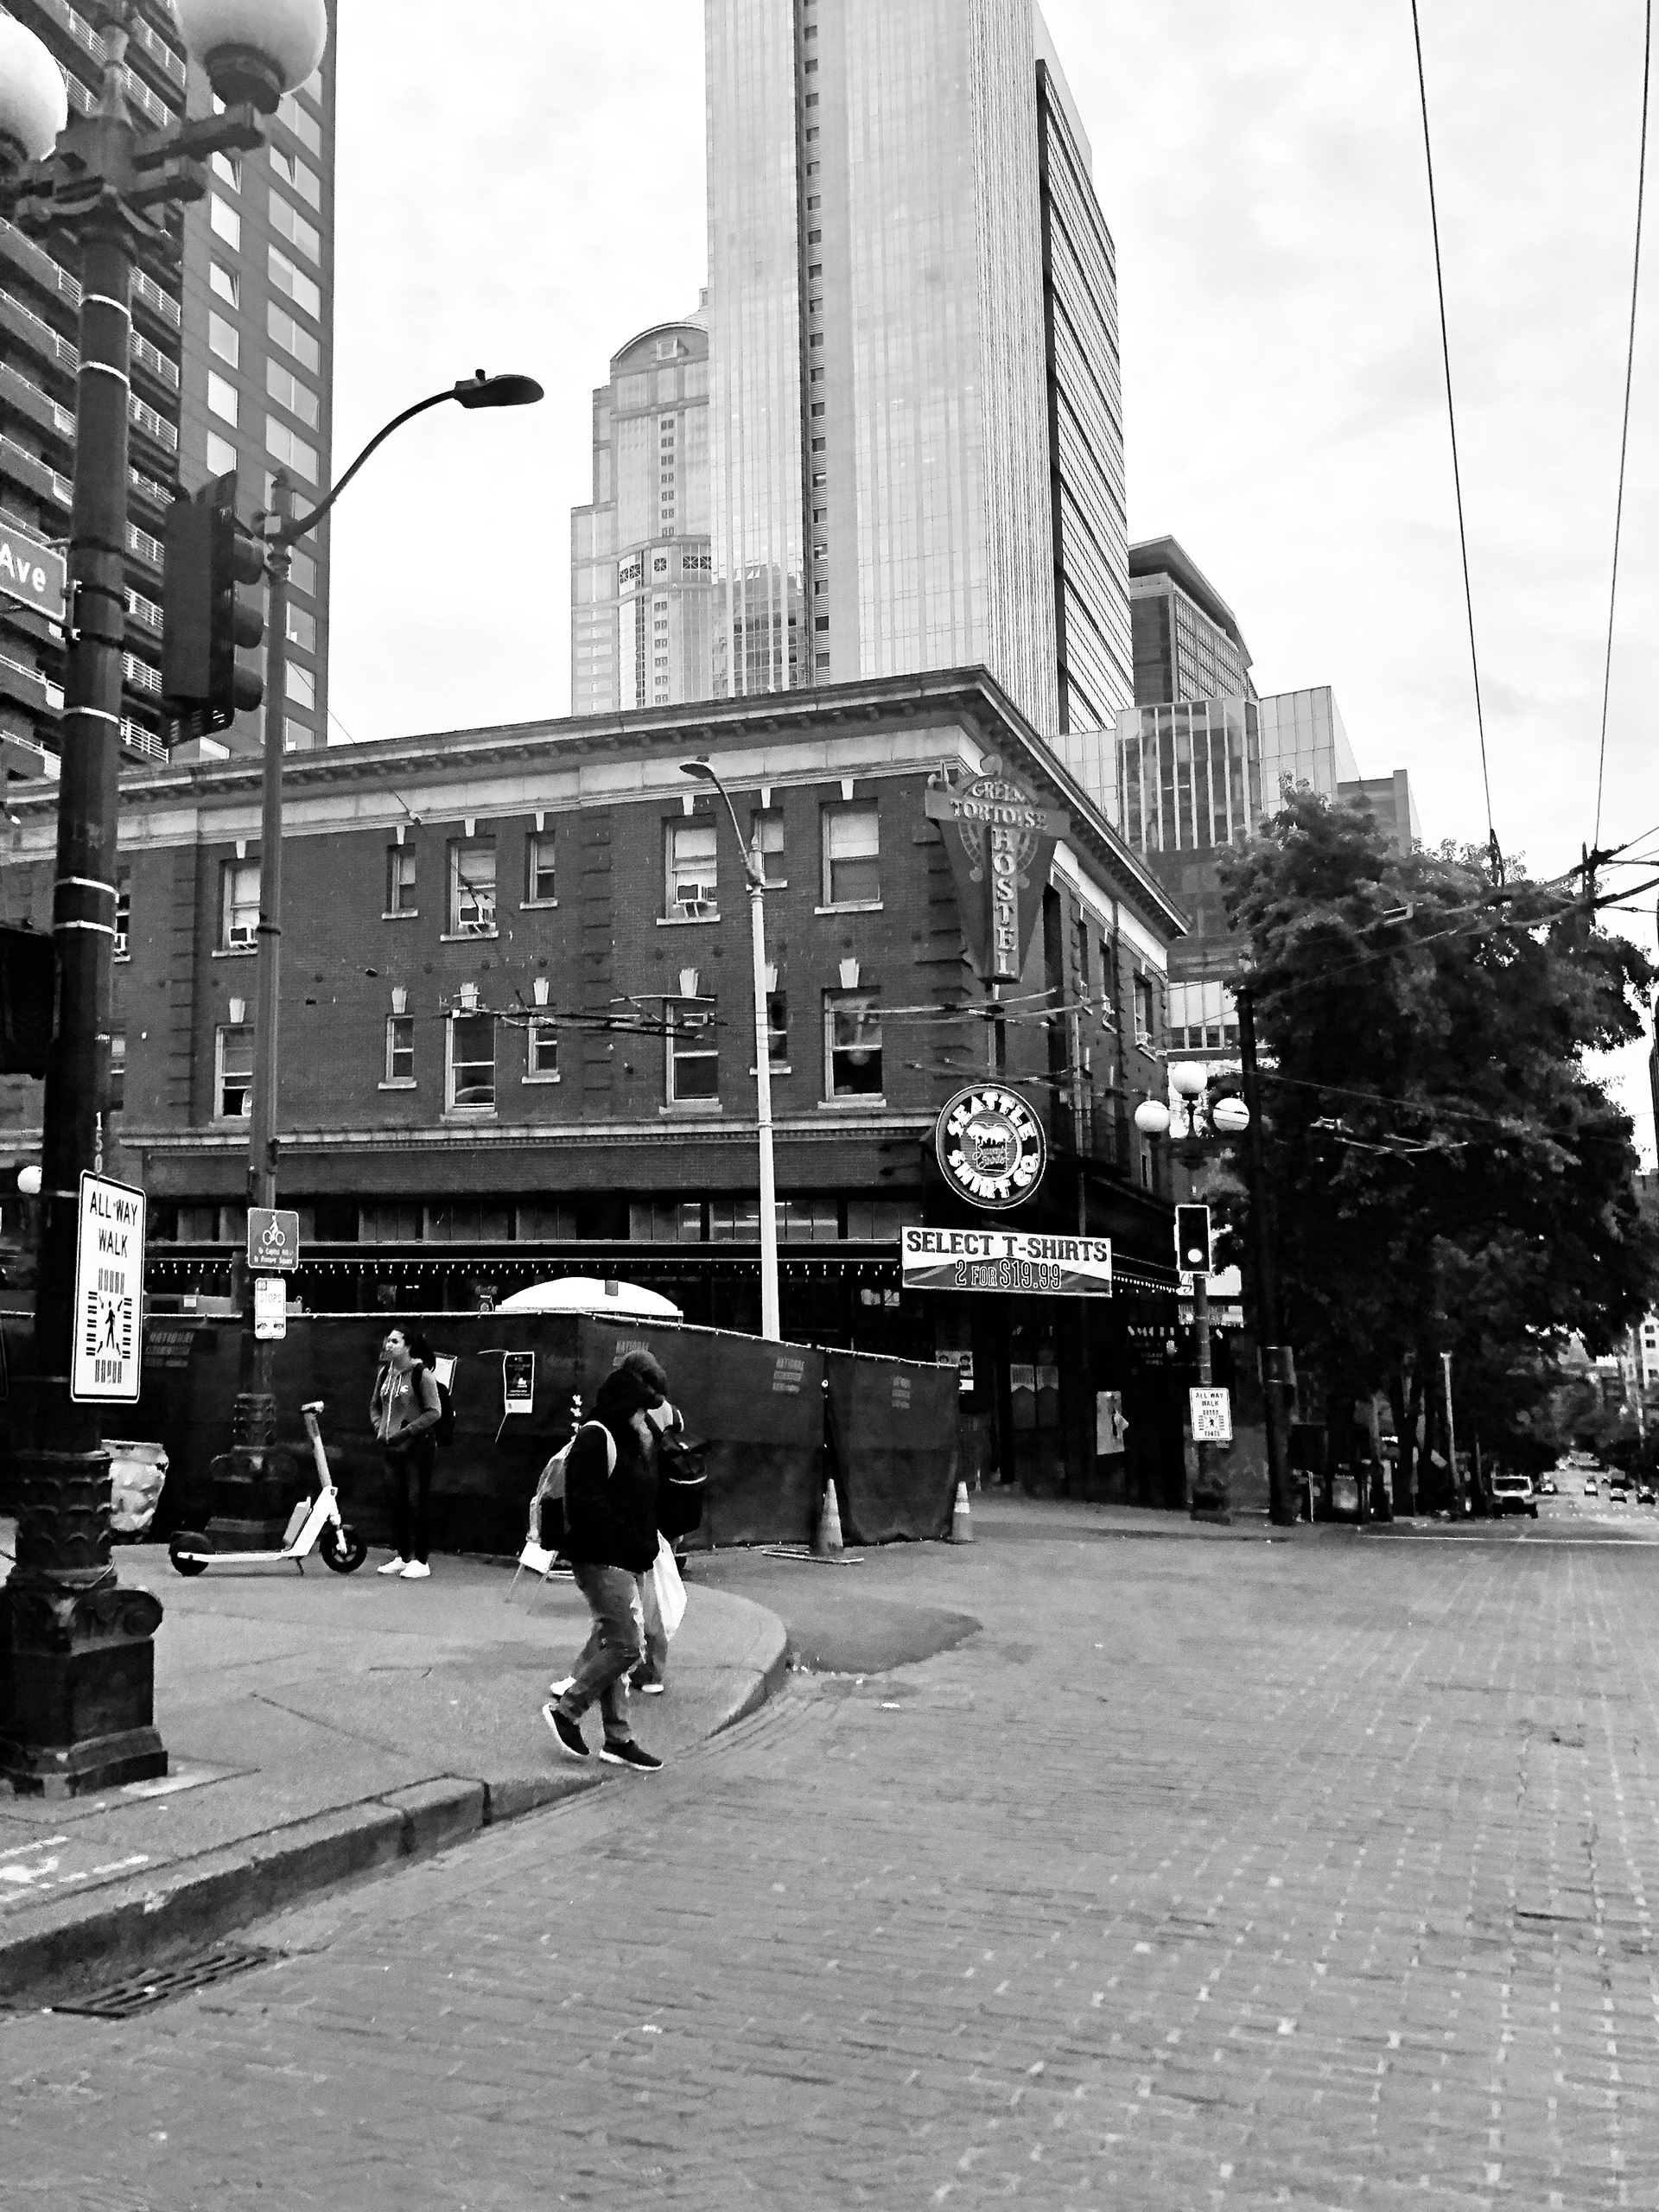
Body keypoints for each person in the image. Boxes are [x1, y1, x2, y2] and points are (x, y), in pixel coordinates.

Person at [543, 1350, 670, 1772]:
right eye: (639, 1409)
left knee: (613, 1642)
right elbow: (587, 1503)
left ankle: (619, 1739)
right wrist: (627, 1541)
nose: (645, 1417)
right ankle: (567, 1710)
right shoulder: (598, 1436)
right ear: (625, 1404)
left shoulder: (634, 1440)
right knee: (625, 1645)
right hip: (602, 1559)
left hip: (624, 1556)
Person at [369, 1325, 442, 1580]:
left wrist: (407, 1431)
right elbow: (375, 1406)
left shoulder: (422, 1375)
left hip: (417, 1447)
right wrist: (382, 1429)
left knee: (416, 1502)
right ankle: (402, 1556)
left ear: (407, 1346)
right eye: (387, 1341)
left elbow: (434, 1411)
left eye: (394, 1341)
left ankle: (421, 1561)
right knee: (397, 1501)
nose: (388, 1345)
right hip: (391, 1447)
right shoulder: (384, 1374)